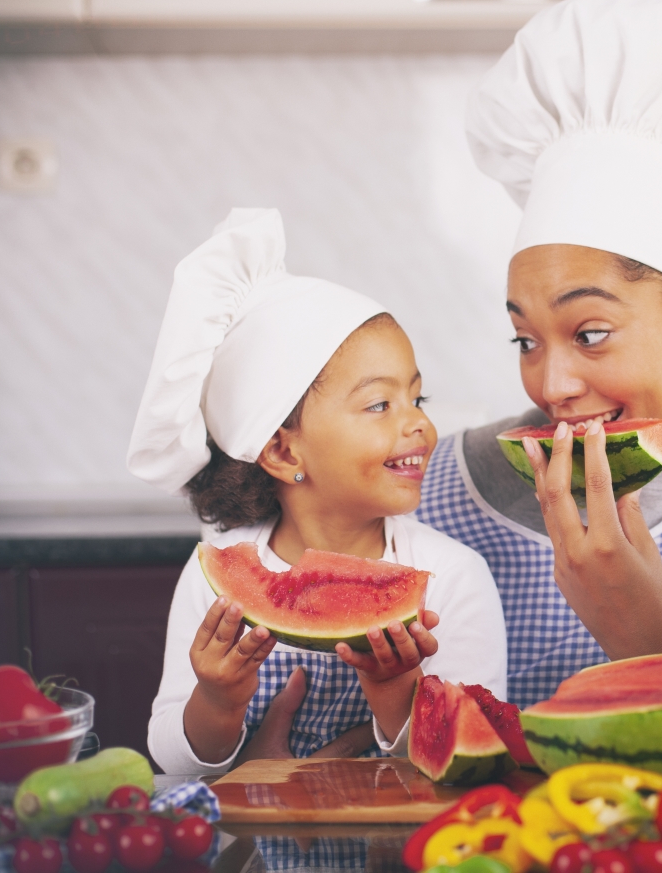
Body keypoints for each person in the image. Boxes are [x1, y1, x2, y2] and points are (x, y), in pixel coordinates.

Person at [416, 0, 662, 709]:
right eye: (526, 339)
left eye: (590, 333)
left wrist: (649, 641)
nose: (552, 383)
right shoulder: (440, 487)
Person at [129, 208, 506, 775]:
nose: (419, 425)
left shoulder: (451, 576)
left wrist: (399, 695)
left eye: (417, 399)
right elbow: (177, 762)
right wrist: (217, 699)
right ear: (283, 452)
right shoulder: (213, 578)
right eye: (380, 405)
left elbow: (477, 759)